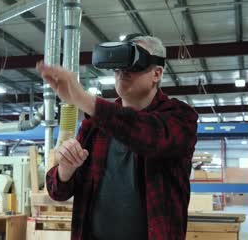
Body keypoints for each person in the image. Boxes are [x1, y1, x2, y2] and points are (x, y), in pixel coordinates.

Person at [38, 35, 198, 240]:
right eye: (118, 67)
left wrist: (83, 98)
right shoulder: (94, 126)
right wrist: (65, 171)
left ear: (156, 73)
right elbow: (56, 192)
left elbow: (147, 136)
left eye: (133, 65)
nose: (122, 73)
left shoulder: (180, 118)